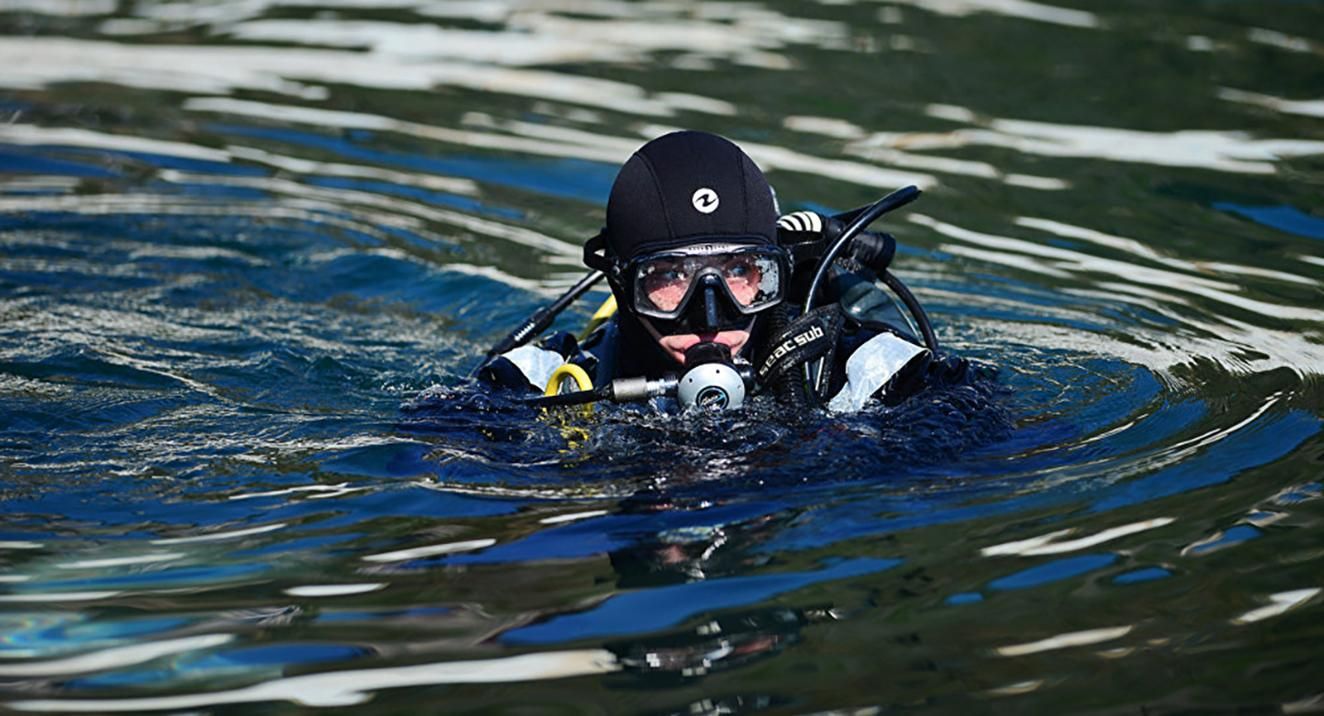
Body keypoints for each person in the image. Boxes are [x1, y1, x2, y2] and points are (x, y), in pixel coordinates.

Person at [479, 130, 971, 413]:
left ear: (772, 277)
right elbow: (437, 441)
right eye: (670, 277)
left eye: (740, 271)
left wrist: (805, 418)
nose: (711, 316)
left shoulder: (846, 369)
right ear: (622, 285)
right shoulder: (555, 381)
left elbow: (977, 424)